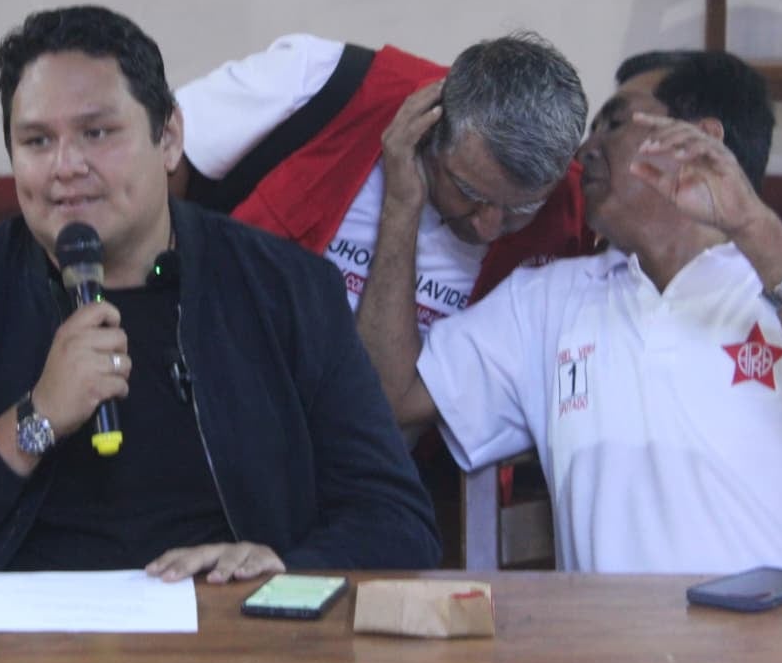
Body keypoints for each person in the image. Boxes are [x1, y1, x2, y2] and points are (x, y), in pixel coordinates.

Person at [0, 5, 440, 579]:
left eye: (98, 132)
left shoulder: (287, 289)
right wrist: (36, 421)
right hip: (23, 645)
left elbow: (398, 523)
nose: (66, 166)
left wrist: (282, 569)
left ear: (170, 137)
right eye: (37, 142)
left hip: (231, 633)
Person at [387, 50, 782, 573]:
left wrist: (757, 231)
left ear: (699, 144)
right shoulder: (545, 303)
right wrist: (401, 204)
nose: (585, 149)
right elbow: (392, 397)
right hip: (604, 649)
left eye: (615, 122)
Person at [173, 32, 594, 397]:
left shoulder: (574, 211)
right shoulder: (323, 81)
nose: (487, 226)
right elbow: (158, 159)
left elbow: (381, 403)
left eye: (520, 209)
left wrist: (401, 210)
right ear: (432, 128)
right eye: (468, 192)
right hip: (218, 382)